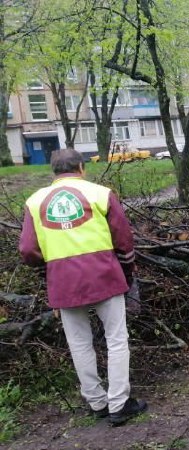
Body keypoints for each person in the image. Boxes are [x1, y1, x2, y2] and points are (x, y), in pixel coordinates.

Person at [18, 148, 147, 426]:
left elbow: (28, 250)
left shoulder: (34, 201)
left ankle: (97, 402)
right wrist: (127, 269)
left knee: (78, 343)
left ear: (53, 170)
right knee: (116, 339)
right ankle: (119, 403)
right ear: (81, 167)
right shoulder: (100, 194)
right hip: (104, 275)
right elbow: (123, 238)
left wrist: (48, 270)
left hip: (63, 281)